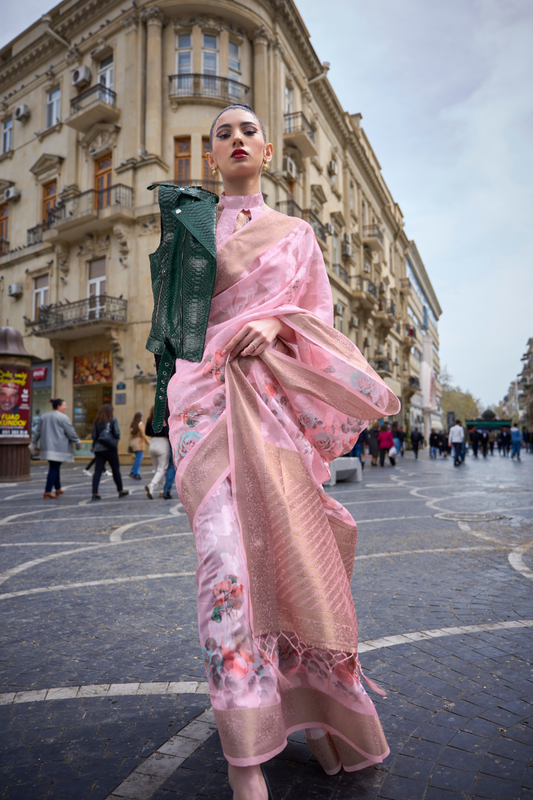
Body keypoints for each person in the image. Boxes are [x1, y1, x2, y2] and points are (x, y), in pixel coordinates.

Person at [157, 104, 400, 798]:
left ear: (266, 152)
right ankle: (243, 754)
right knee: (226, 563)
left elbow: (316, 318)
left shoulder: (297, 234)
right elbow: (172, 329)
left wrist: (272, 318)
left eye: (246, 131)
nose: (235, 138)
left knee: (294, 555)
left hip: (274, 409)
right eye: (220, 134)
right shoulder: (186, 227)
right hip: (203, 405)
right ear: (209, 159)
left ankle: (319, 711)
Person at [31, 398, 81, 499]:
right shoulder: (63, 417)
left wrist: (34, 442)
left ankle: (58, 488)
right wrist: (77, 442)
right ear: (58, 406)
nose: (66, 407)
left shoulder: (44, 416)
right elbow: (70, 432)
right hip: (59, 447)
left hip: (47, 447)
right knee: (54, 468)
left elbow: (38, 431)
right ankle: (48, 490)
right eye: (64, 405)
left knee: (55, 466)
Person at [91, 403, 129, 500]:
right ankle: (120, 490)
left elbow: (94, 436)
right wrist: (114, 442)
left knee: (97, 471)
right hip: (110, 449)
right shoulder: (113, 420)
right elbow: (117, 433)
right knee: (115, 469)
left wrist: (94, 446)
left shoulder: (97, 421)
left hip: (99, 449)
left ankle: (95, 493)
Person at [145, 406, 170, 499]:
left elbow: (147, 432)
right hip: (162, 443)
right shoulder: (164, 419)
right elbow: (167, 432)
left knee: (157, 469)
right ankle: (152, 485)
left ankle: (161, 490)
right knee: (162, 469)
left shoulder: (149, 419)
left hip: (152, 443)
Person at [129, 411, 150, 480]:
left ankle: (132, 471)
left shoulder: (133, 424)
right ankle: (136, 473)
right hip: (139, 444)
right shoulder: (140, 424)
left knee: (137, 458)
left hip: (133, 443)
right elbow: (143, 434)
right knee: (139, 459)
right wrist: (149, 442)